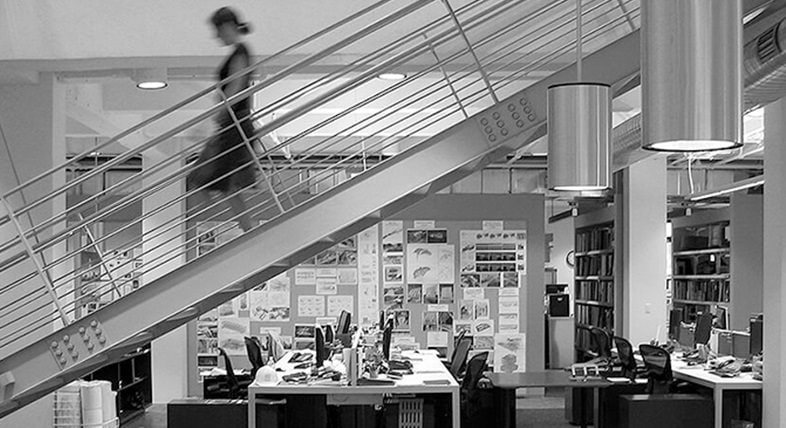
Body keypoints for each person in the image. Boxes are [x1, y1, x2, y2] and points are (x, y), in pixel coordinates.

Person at [187, 6, 257, 232]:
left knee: (205, 180)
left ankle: (244, 230)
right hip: (234, 123)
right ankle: (249, 231)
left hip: (234, 124)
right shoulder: (240, 52)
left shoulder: (241, 53)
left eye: (218, 31)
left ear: (227, 27)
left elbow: (236, 86)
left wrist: (214, 118)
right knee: (224, 183)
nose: (217, 37)